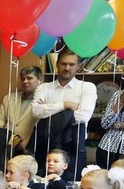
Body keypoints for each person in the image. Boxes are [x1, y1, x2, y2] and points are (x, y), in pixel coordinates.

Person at [32, 50, 97, 178]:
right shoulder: (43, 87)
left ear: (78, 66)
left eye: (72, 64)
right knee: (41, 184)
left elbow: (83, 116)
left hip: (73, 144)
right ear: (57, 64)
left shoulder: (87, 87)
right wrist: (65, 105)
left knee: (70, 187)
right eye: (63, 64)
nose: (67, 68)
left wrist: (48, 110)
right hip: (45, 143)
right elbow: (36, 111)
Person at [0, 66, 41, 170]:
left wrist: (24, 143)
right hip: (6, 147)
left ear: (39, 80)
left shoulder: (44, 101)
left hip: (28, 149)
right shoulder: (9, 98)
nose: (25, 81)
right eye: (23, 78)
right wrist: (1, 138)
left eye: (29, 78)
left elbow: (40, 125)